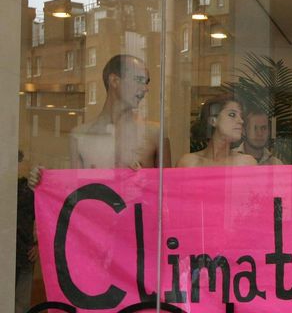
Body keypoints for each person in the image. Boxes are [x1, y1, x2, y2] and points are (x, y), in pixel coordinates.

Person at [28, 55, 172, 187]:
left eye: (146, 82)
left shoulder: (155, 133)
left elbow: (169, 191)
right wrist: (43, 182)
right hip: (96, 206)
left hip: (139, 207)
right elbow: (75, 193)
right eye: (139, 80)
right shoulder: (80, 135)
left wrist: (145, 181)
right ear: (114, 81)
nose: (145, 89)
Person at [177, 94, 258, 167]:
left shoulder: (246, 163)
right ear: (213, 121)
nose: (241, 121)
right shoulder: (188, 163)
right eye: (232, 114)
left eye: (241, 116)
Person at [15, 150, 35, 313]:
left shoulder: (26, 189)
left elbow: (45, 216)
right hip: (7, 257)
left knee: (20, 307)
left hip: (24, 255)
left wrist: (38, 244)